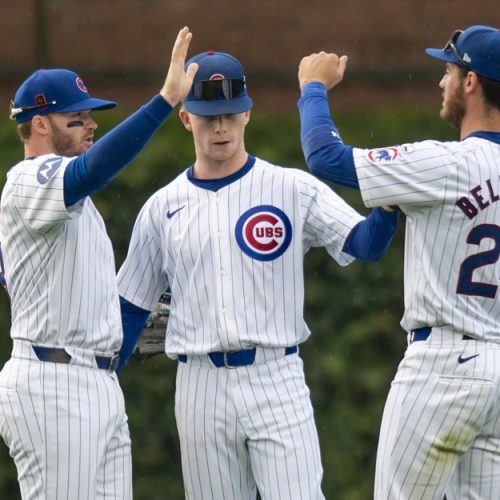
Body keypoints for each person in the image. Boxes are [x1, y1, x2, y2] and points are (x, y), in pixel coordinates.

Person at [116, 49, 399, 500]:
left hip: (276, 375)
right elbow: (130, 309)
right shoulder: (161, 207)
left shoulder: (291, 187)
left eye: (229, 114)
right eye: (208, 117)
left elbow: (365, 246)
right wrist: (102, 374)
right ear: (186, 119)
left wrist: (388, 204)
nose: (221, 126)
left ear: (247, 112)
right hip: (200, 384)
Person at [297, 24, 500, 500]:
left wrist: (312, 87)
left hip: (443, 366)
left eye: (448, 71)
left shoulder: (447, 163)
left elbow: (324, 157)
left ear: (470, 81)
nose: (440, 83)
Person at [0, 27, 198, 500]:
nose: (91, 125)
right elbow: (95, 168)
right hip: (53, 384)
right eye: (77, 118)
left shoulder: (71, 202)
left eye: (90, 116)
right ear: (41, 124)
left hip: (95, 382)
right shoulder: (31, 179)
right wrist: (164, 100)